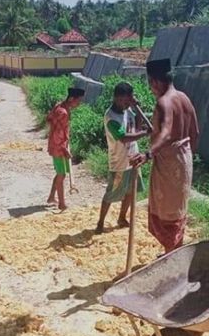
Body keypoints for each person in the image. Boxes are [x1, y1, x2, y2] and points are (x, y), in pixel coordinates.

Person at [131, 58, 200, 254]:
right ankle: (174, 250)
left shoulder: (164, 102)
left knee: (167, 214)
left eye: (150, 84)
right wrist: (185, 158)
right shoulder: (184, 98)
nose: (151, 89)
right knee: (176, 210)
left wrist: (147, 154)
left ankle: (172, 254)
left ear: (155, 81)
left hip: (169, 164)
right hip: (183, 161)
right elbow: (195, 132)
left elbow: (167, 133)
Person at [95, 82, 149, 234]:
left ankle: (121, 218)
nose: (127, 104)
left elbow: (136, 127)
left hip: (133, 159)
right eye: (125, 101)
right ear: (117, 98)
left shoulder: (128, 111)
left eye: (129, 101)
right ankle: (100, 223)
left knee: (131, 192)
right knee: (111, 194)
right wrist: (146, 133)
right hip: (119, 162)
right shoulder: (110, 117)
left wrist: (137, 110)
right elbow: (124, 137)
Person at [46, 87, 85, 211]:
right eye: (78, 101)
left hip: (57, 144)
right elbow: (58, 133)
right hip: (58, 147)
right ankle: (61, 203)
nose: (78, 104)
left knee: (59, 173)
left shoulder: (60, 106)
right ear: (71, 99)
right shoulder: (63, 112)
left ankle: (52, 197)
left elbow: (49, 119)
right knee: (61, 175)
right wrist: (64, 149)